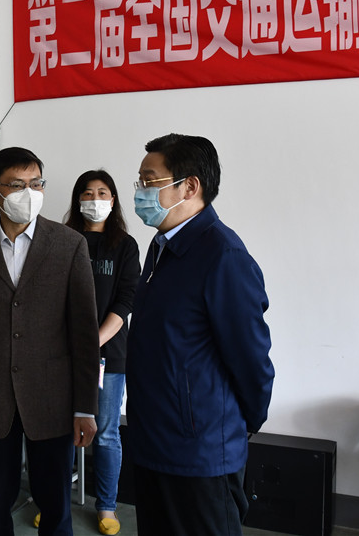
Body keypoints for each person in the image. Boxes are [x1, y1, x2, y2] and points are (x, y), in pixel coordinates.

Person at [0, 146, 100, 536]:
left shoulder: (69, 245)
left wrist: (86, 406)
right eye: (16, 185)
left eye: (36, 183)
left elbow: (84, 334)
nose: (28, 193)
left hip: (52, 397)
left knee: (56, 507)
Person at [126, 134, 274, 536]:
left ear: (189, 186)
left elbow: (251, 360)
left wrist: (240, 425)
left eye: (149, 181)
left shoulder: (223, 256)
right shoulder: (162, 246)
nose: (140, 190)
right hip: (154, 442)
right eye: (139, 181)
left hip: (200, 454)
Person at [63, 170, 140, 536]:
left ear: (113, 200)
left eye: (103, 192)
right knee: (62, 430)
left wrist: (90, 343)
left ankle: (107, 505)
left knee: (107, 433)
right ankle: (55, 502)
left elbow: (126, 302)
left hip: (110, 355)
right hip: (62, 354)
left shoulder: (125, 245)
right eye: (88, 193)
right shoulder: (63, 241)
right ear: (78, 199)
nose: (95, 199)